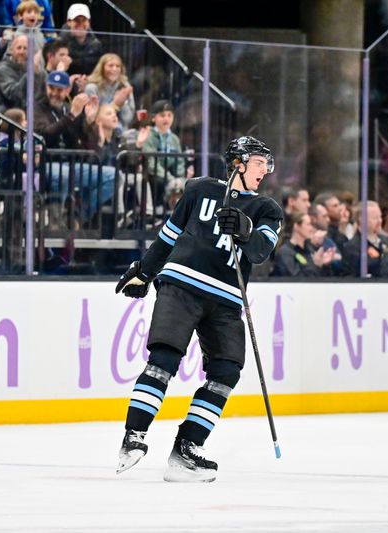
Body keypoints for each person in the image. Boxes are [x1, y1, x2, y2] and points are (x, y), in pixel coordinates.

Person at [114, 135, 282, 482]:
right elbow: (168, 236)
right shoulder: (199, 190)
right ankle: (134, 436)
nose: (264, 170)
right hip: (181, 285)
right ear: (238, 162)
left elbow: (261, 250)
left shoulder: (266, 209)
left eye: (267, 164)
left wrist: (247, 231)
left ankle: (187, 449)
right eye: (258, 162)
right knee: (164, 358)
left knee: (226, 371)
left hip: (226, 300)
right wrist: (145, 271)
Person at [342, 200, 388, 278]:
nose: (379, 221)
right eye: (375, 218)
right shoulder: (353, 247)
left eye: (380, 217)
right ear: (362, 220)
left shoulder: (386, 241)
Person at [272, 211, 334, 277]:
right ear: (296, 226)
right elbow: (296, 279)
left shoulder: (310, 250)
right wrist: (315, 265)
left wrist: (325, 265)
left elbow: (324, 278)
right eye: (308, 224)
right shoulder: (285, 252)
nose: (311, 229)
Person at [84, 53, 135, 130]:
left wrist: (123, 103)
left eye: (118, 66)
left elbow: (127, 119)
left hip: (122, 132)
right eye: (110, 66)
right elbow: (95, 118)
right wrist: (116, 104)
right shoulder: (91, 88)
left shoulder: (125, 86)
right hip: (98, 131)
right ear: (102, 68)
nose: (114, 69)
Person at [62, 3, 102, 76]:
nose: (80, 24)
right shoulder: (60, 44)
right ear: (69, 22)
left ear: (89, 22)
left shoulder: (96, 44)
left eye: (84, 20)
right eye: (76, 20)